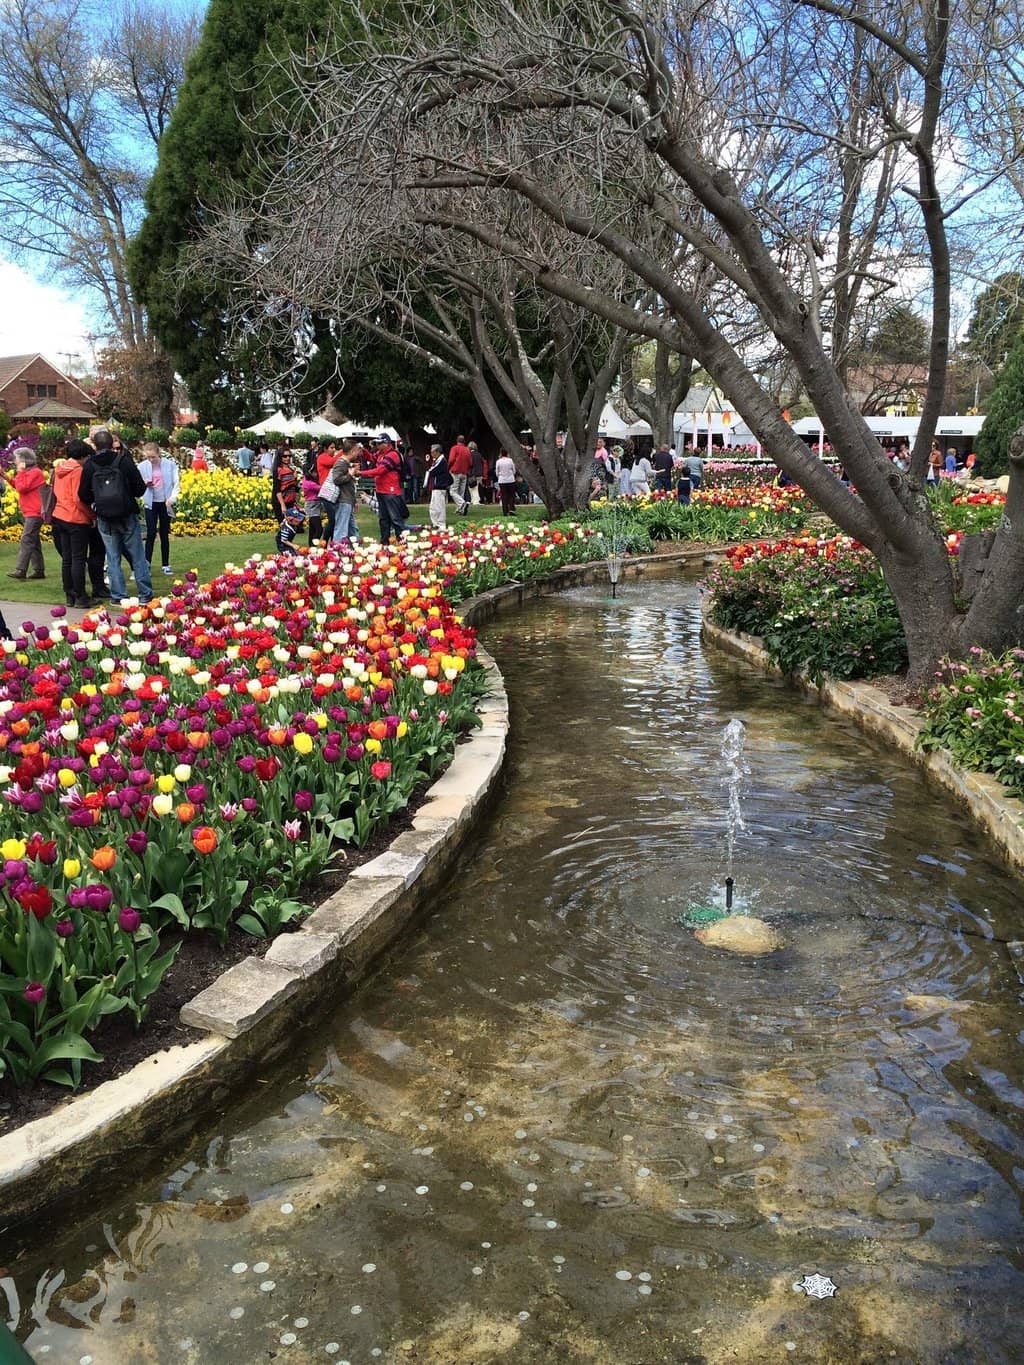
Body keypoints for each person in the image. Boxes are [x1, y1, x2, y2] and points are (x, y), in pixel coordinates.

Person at [78, 431, 153, 604]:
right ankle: (145, 594)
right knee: (137, 555)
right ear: (112, 443)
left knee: (112, 557)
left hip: (105, 516)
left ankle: (119, 595)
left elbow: (83, 494)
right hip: (126, 513)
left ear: (94, 446)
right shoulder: (123, 461)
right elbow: (140, 488)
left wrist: (97, 501)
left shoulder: (90, 465)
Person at [52, 439, 109, 608]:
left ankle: (69, 594)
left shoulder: (59, 469)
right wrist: (91, 515)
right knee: (78, 558)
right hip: (75, 518)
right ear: (83, 456)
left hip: (60, 515)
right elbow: (78, 499)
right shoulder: (77, 471)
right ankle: (81, 596)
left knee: (67, 559)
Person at [4, 447, 48, 580]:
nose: (14, 461)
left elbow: (23, 487)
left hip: (34, 512)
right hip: (31, 511)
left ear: (23, 460)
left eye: (16, 459)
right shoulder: (29, 472)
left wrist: (21, 472)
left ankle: (21, 569)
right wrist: (5, 476)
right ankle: (39, 570)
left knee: (26, 539)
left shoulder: (35, 472)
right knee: (33, 541)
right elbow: (19, 485)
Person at [138, 442, 180, 576]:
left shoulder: (169, 465)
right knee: (150, 533)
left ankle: (166, 564)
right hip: (150, 503)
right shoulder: (142, 467)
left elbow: (176, 483)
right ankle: (147, 564)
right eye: (148, 457)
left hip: (164, 502)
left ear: (158, 454)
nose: (151, 460)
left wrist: (172, 498)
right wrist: (144, 484)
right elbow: (136, 484)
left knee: (164, 533)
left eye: (153, 457)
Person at [362, 435, 409, 543]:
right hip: (381, 490)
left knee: (395, 519)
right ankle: (384, 542)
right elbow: (372, 458)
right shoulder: (381, 453)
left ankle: (402, 542)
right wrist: (364, 451)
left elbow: (380, 470)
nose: (376, 445)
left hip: (390, 491)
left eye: (379, 443)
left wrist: (361, 473)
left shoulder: (392, 455)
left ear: (386, 443)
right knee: (383, 519)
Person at [271, 447, 303, 553]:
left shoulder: (291, 470)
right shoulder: (278, 470)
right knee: (285, 526)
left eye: (289, 456)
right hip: (281, 502)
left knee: (292, 527)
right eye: (285, 456)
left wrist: (296, 479)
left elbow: (293, 487)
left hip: (290, 501)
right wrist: (282, 505)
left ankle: (289, 548)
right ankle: (285, 548)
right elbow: (277, 489)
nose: (287, 458)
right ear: (280, 457)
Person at [328, 457, 360, 543]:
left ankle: (356, 549)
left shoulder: (346, 464)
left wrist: (354, 500)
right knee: (341, 529)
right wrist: (350, 474)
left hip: (348, 499)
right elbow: (337, 480)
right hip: (342, 499)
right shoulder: (340, 463)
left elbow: (350, 486)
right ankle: (337, 550)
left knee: (352, 528)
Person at [424, 444, 452, 528]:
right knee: (433, 507)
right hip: (436, 486)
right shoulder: (437, 460)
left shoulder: (441, 460)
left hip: (440, 486)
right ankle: (435, 523)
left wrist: (428, 466)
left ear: (437, 452)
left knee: (439, 506)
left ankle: (441, 524)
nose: (431, 453)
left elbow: (432, 471)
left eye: (433, 452)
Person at [448, 434, 472, 513]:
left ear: (457, 441)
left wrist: (448, 467)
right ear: (464, 441)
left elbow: (451, 460)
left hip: (455, 471)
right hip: (464, 472)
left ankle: (462, 504)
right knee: (461, 492)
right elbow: (470, 463)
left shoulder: (454, 448)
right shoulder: (467, 450)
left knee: (453, 491)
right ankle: (460, 509)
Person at [495, 448, 517, 515]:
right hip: (510, 480)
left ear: (501, 453)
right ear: (507, 453)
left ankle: (505, 510)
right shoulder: (510, 460)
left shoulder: (498, 461)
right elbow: (514, 470)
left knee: (504, 495)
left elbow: (497, 472)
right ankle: (511, 508)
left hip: (502, 480)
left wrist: (500, 476)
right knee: (511, 495)